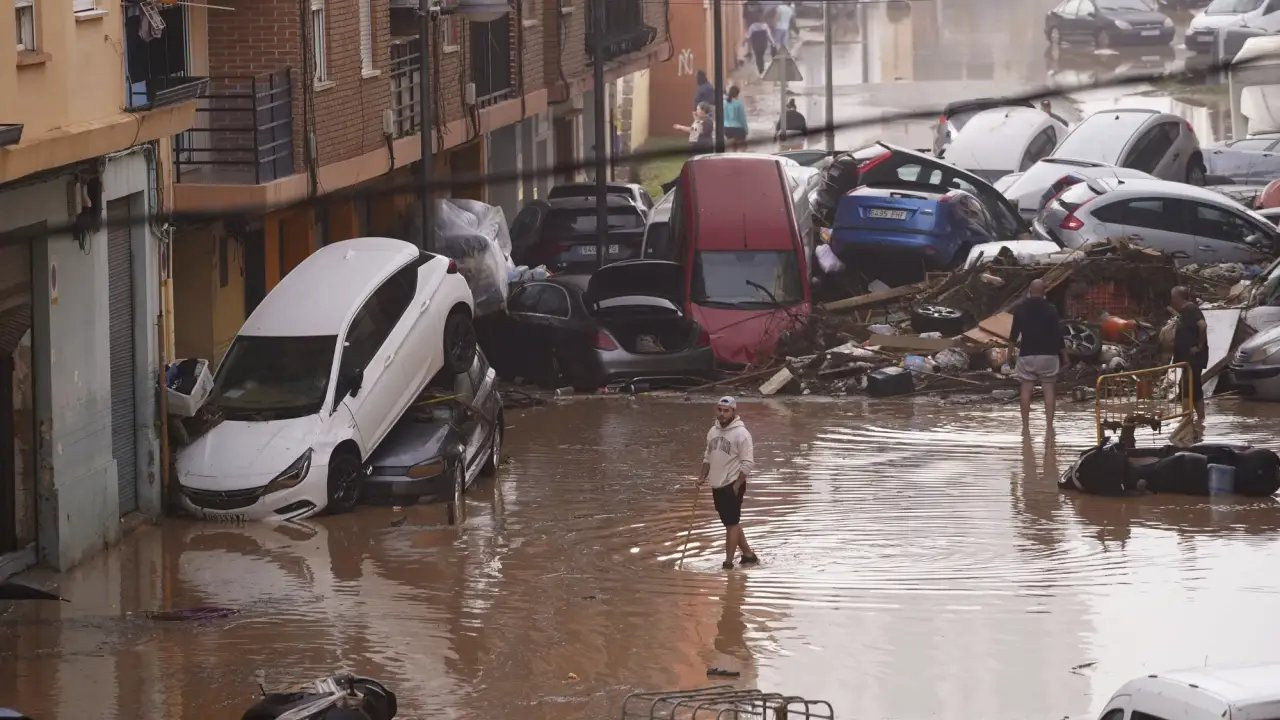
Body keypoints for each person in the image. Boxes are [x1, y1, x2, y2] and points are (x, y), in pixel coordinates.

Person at [699, 396, 758, 570]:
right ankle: (748, 555)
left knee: (731, 524)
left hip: (732, 484)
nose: (722, 414)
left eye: (726, 411)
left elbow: (748, 463)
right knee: (730, 522)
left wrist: (737, 485)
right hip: (716, 484)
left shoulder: (742, 434)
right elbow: (707, 456)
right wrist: (702, 476)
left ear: (734, 412)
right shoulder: (712, 431)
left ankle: (728, 563)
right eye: (720, 410)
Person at [1009, 279, 1069, 433]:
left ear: (1029, 290)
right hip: (1048, 355)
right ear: (1044, 292)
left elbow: (1013, 334)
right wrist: (1065, 355)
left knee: (1026, 389)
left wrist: (1009, 354)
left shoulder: (1020, 309)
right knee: (1048, 389)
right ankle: (1049, 427)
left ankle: (1025, 427)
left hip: (1027, 355)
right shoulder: (1051, 309)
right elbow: (1058, 334)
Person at [1171, 286, 1208, 423]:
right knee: (1193, 387)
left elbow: (1202, 326)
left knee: (1187, 387)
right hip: (1188, 358)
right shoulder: (1184, 311)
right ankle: (1199, 419)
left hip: (1193, 358)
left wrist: (1199, 346)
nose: (1171, 300)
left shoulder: (1191, 309)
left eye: (1172, 297)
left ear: (1178, 297)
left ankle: (1187, 418)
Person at [723, 85, 748, 152]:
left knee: (732, 149)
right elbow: (742, 119)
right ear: (737, 94)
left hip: (727, 129)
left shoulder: (724, 103)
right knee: (743, 149)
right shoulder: (739, 104)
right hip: (738, 129)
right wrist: (746, 130)